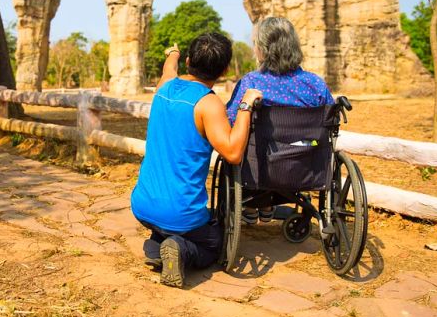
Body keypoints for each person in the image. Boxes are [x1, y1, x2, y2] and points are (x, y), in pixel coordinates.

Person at [131, 32, 262, 288]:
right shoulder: (209, 104)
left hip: (142, 205)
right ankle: (180, 248)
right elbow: (233, 153)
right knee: (215, 242)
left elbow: (169, 68)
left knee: (169, 225)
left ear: (189, 61)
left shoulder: (164, 88)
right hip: (181, 214)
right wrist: (246, 105)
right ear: (224, 70)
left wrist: (173, 53)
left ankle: (156, 246)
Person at [226, 16, 334, 224]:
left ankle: (257, 203)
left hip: (263, 165)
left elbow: (232, 119)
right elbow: (330, 119)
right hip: (305, 164)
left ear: (264, 49)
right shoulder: (315, 84)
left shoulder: (252, 82)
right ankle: (270, 205)